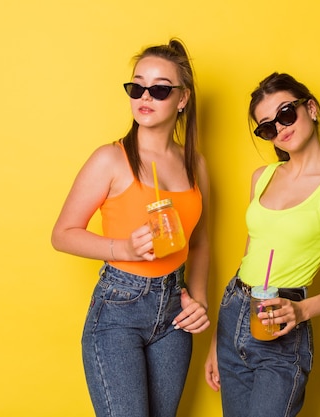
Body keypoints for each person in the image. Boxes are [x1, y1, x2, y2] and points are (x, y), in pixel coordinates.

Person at [51, 38, 210, 417]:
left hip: (175, 313)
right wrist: (122, 248)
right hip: (120, 307)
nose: (145, 97)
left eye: (159, 89)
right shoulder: (110, 159)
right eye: (137, 87)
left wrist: (198, 299)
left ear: (182, 98)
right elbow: (62, 233)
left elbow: (200, 241)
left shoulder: (196, 164)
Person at [204, 72, 320, 417]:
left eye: (286, 113)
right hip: (236, 309)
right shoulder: (261, 177)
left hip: (282, 324)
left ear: (311, 108)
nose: (280, 128)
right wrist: (219, 344)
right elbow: (250, 253)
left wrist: (302, 310)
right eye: (267, 127)